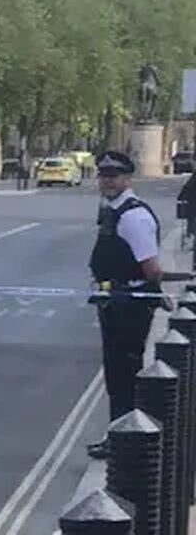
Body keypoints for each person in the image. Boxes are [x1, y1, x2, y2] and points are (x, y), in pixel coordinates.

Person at [86, 150, 172, 459]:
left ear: (127, 178)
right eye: (103, 175)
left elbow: (151, 268)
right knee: (116, 375)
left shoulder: (134, 217)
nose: (107, 181)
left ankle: (126, 442)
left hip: (129, 305)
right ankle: (119, 437)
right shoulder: (113, 209)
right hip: (115, 303)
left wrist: (152, 292)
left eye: (114, 176)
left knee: (124, 376)